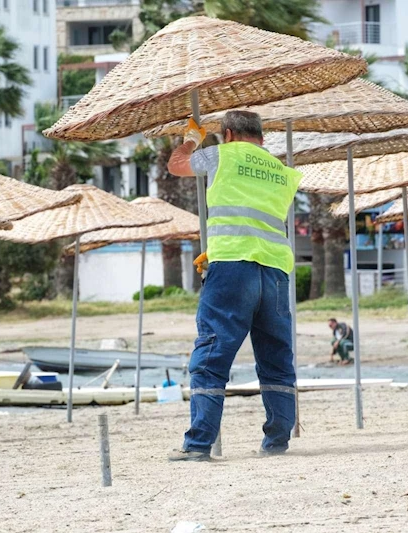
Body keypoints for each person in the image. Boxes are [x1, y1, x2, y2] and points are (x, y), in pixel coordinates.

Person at [166, 110, 302, 462]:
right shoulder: (283, 172)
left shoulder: (222, 154)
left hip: (231, 266)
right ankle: (276, 442)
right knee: (275, 357)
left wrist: (192, 140)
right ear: (262, 137)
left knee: (212, 355)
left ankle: (198, 445)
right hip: (274, 270)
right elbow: (254, 214)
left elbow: (177, 165)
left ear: (227, 134)